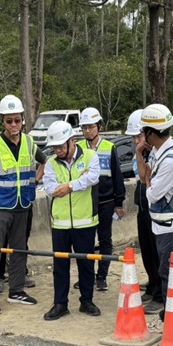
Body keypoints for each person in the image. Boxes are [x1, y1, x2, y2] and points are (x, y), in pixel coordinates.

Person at [0, 94, 47, 315]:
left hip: (22, 205)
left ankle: (16, 290)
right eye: (9, 121)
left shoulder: (29, 142)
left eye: (17, 120)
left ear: (22, 121)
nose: (14, 125)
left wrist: (36, 180)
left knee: (19, 250)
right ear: (3, 121)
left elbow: (45, 161)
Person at [137, 103, 173, 320]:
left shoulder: (170, 160)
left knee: (169, 271)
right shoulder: (160, 152)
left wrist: (151, 181)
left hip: (171, 225)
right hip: (162, 223)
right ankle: (171, 310)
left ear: (151, 133)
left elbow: (150, 194)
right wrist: (138, 154)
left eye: (144, 132)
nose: (142, 136)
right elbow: (146, 178)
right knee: (166, 269)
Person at [42, 121, 101, 320]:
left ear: (72, 141)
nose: (57, 150)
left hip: (85, 222)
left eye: (61, 146)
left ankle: (87, 301)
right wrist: (73, 184)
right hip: (60, 223)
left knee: (86, 264)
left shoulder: (90, 156)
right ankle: (60, 304)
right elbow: (50, 187)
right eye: (54, 147)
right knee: (60, 266)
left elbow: (92, 178)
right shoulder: (51, 163)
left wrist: (69, 186)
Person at [77, 107, 126, 292]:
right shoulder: (78, 149)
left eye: (91, 127)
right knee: (85, 242)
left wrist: (119, 203)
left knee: (105, 240)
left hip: (106, 203)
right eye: (84, 127)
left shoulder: (109, 147)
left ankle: (102, 276)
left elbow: (117, 177)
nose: (87, 131)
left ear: (99, 126)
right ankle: (87, 276)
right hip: (85, 202)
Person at [126, 110, 163, 314]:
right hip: (143, 205)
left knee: (158, 252)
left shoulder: (162, 152)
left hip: (157, 208)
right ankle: (152, 284)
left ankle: (160, 293)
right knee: (147, 250)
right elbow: (140, 176)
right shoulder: (140, 153)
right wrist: (139, 153)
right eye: (133, 137)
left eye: (138, 136)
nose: (136, 141)